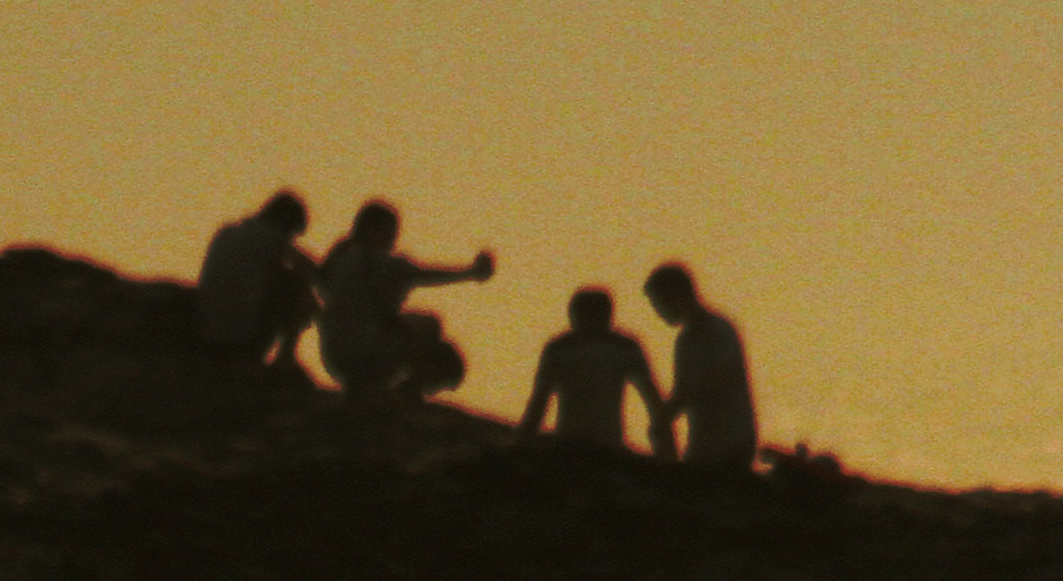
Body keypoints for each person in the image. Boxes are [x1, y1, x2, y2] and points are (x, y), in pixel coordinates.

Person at [313, 199, 493, 403]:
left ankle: (365, 386)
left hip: (333, 356)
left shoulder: (337, 259)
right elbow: (426, 275)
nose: (393, 242)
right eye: (390, 234)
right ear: (374, 230)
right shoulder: (384, 264)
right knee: (429, 324)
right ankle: (409, 388)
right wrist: (471, 272)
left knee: (403, 324)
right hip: (366, 353)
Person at [521, 286, 668, 450]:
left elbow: (539, 404)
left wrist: (521, 445)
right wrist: (667, 451)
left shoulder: (559, 348)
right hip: (608, 446)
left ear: (574, 315)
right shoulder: (625, 347)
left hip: (569, 445)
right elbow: (653, 401)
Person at [643, 260, 759, 467]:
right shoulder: (685, 340)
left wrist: (667, 413)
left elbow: (713, 380)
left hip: (730, 441)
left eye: (659, 303)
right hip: (704, 443)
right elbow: (683, 389)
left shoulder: (718, 330)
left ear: (676, 296)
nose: (659, 312)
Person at [197, 190, 323, 375]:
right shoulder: (269, 237)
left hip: (208, 324)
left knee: (286, 278)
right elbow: (311, 268)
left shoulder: (228, 232)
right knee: (297, 283)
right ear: (286, 225)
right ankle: (285, 358)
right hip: (238, 330)